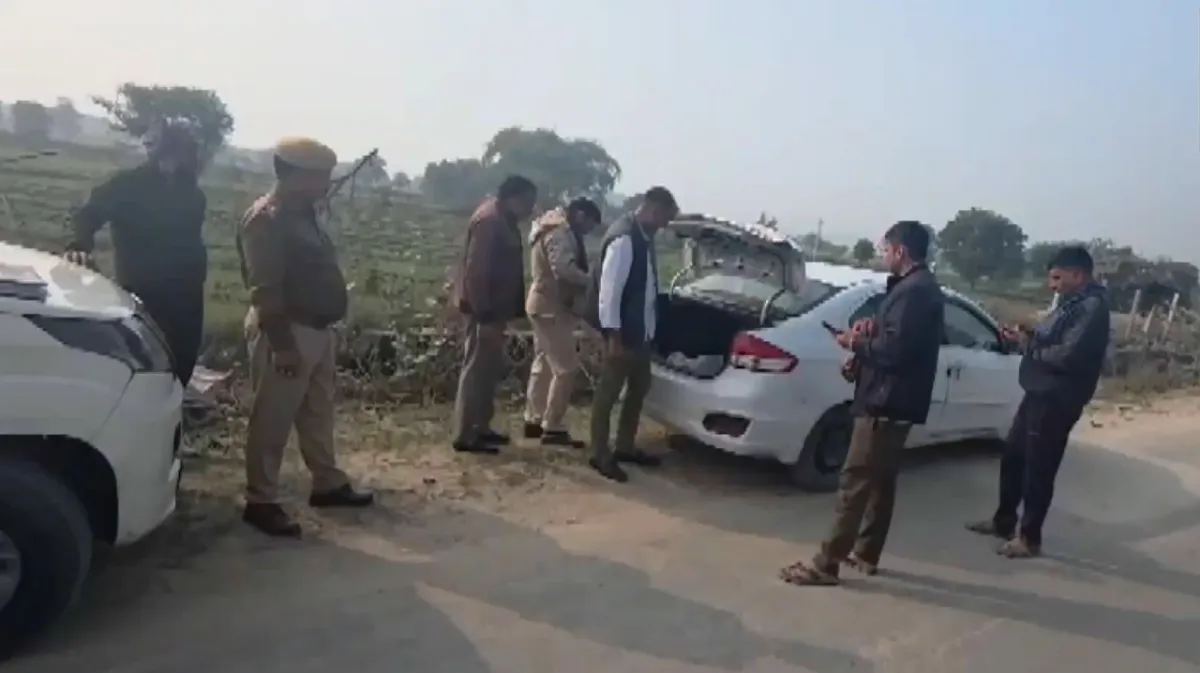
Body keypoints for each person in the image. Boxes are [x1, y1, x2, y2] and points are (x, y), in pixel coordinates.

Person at [780, 221, 944, 585]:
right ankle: (866, 553)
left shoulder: (915, 291)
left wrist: (853, 344)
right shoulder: (914, 288)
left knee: (855, 481)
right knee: (880, 481)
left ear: (900, 251)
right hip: (895, 399)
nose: (883, 256)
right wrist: (873, 328)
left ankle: (826, 564)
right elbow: (898, 337)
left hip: (886, 401)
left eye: (885, 249)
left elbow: (896, 351)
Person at [236, 137, 374, 538]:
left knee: (318, 413)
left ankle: (327, 482)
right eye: (320, 176)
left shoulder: (304, 215)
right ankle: (260, 500)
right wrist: (282, 346)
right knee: (273, 419)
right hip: (286, 330)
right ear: (295, 176)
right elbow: (265, 289)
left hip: (317, 329)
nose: (326, 184)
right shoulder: (267, 220)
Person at [966, 245, 1110, 558]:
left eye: (1057, 278)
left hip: (1056, 398)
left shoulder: (1092, 308)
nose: (1051, 285)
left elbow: (1067, 355)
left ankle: (1029, 538)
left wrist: (1028, 346)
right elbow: (1051, 338)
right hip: (1038, 391)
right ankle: (1004, 521)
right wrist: (1028, 334)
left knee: (1038, 468)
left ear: (1078, 275)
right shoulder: (1071, 303)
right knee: (1014, 457)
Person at [64, 120, 208, 386]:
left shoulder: (193, 195)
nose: (192, 159)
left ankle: (173, 404)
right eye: (186, 151)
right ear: (170, 152)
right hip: (144, 293)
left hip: (186, 297)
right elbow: (88, 213)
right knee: (143, 363)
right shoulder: (127, 185)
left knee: (181, 363)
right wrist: (79, 245)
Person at [588, 186, 679, 483]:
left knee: (639, 387)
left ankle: (624, 446)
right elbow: (609, 294)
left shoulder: (643, 236)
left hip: (639, 333)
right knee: (608, 394)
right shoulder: (625, 238)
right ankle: (599, 453)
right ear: (653, 209)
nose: (664, 226)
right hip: (622, 334)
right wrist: (613, 337)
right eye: (664, 219)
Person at [450, 175, 538, 454]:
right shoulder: (490, 221)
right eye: (528, 202)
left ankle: (481, 427)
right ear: (514, 198)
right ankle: (466, 434)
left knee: (487, 372)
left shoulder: (502, 219)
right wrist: (485, 314)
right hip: (484, 312)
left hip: (494, 312)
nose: (530, 209)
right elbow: (477, 271)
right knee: (476, 372)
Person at [523, 197, 603, 447]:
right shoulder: (559, 233)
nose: (588, 231)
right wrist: (591, 281)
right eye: (589, 225)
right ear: (580, 215)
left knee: (544, 365)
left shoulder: (550, 228)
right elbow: (563, 269)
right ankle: (552, 426)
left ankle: (534, 418)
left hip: (544, 304)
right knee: (566, 368)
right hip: (552, 307)